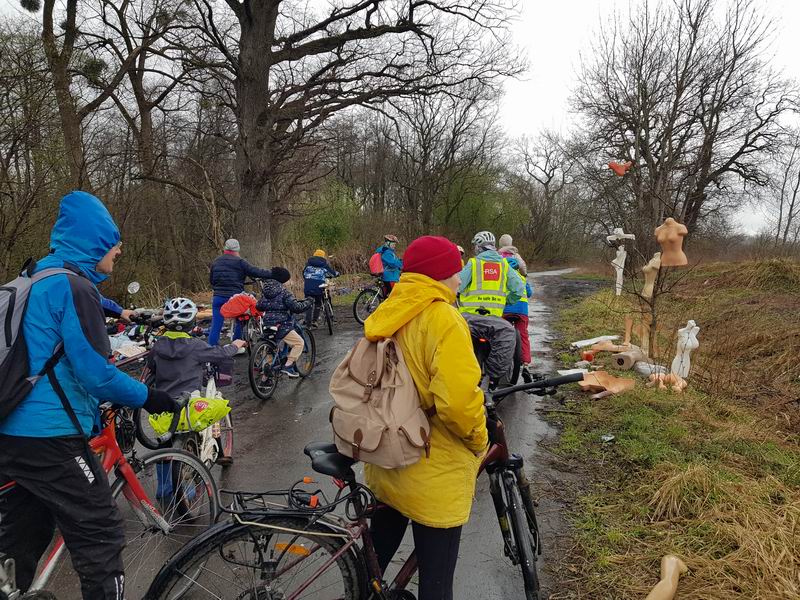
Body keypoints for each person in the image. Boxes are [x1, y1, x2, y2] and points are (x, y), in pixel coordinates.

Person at [0, 191, 178, 600]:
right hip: (51, 436)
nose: (118, 250)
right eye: (113, 241)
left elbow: (88, 303)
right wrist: (149, 397)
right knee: (100, 533)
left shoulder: (37, 276)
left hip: (10, 431)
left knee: (23, 536)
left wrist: (120, 312)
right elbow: (97, 376)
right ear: (94, 241)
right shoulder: (74, 288)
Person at [364, 235, 488, 600]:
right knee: (436, 584)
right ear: (442, 275)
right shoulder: (443, 318)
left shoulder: (388, 310)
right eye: (456, 271)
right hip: (432, 468)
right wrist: (479, 439)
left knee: (371, 566)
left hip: (387, 458)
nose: (460, 278)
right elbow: (458, 405)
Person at [147, 297, 246, 465]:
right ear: (192, 323)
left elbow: (152, 367)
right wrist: (235, 345)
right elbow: (220, 353)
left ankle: (164, 488)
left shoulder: (157, 346)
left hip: (163, 407)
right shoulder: (195, 345)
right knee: (214, 409)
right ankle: (210, 462)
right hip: (188, 405)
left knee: (164, 448)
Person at [458, 231, 525, 387]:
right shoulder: (504, 266)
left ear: (478, 247)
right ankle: (494, 380)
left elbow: (457, 285)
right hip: (495, 321)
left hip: (469, 319)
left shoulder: (473, 264)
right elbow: (518, 288)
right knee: (506, 337)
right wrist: (506, 301)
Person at [208, 238, 276, 347]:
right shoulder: (240, 262)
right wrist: (273, 273)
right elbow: (256, 271)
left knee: (216, 324)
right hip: (235, 298)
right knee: (242, 319)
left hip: (218, 297)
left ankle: (211, 348)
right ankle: (236, 344)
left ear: (225, 248)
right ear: (237, 249)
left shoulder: (216, 262)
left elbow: (211, 280)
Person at [255, 269, 311, 379]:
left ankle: (265, 379)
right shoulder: (284, 292)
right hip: (282, 324)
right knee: (299, 343)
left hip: (267, 323)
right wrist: (308, 302)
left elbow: (259, 306)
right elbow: (296, 307)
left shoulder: (265, 293)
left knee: (271, 348)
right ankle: (288, 366)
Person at [503, 257, 534, 383]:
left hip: (506, 310)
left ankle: (503, 360)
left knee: (503, 334)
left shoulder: (503, 278)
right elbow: (530, 293)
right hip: (522, 311)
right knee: (523, 336)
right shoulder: (522, 278)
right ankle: (526, 365)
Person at [302, 249, 339, 328]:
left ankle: (308, 325)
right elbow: (332, 273)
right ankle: (315, 321)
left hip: (308, 287)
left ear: (314, 255)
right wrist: (337, 274)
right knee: (318, 302)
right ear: (323, 256)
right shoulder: (324, 264)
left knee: (308, 304)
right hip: (319, 287)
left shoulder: (308, 264)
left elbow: (303, 274)